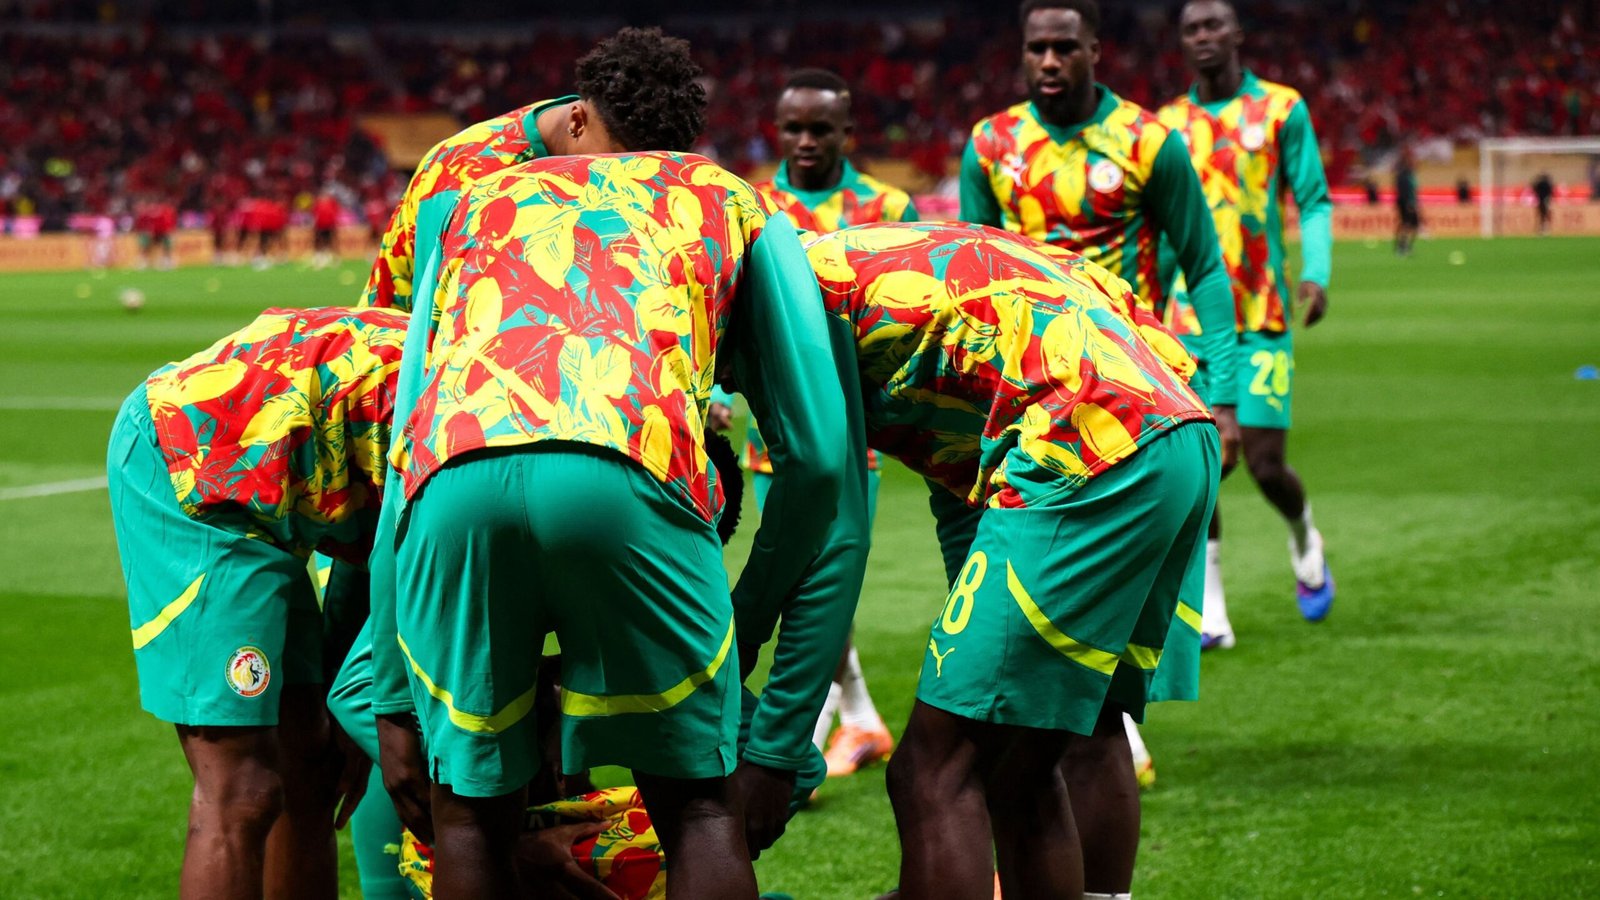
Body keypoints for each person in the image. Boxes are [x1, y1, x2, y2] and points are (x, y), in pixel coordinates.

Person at [376, 138, 866, 898]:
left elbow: (401, 450)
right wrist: (749, 620)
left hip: (451, 470)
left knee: (467, 812)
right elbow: (822, 461)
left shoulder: (467, 199)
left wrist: (390, 696)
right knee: (699, 805)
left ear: (581, 118)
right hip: (629, 458)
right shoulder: (732, 195)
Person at [801, 221, 1217, 899]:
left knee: (935, 768)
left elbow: (834, 533)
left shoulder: (793, 308)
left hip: (1085, 445)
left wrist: (781, 737)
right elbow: (960, 467)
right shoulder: (881, 252)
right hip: (1172, 426)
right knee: (1049, 744)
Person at [959, 0, 1237, 837]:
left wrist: (1224, 395)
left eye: (1064, 47)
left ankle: (1105, 721)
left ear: (1094, 51)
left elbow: (1204, 265)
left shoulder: (1149, 142)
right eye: (1035, 48)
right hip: (1032, 402)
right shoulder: (991, 145)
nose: (1049, 61)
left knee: (1115, 593)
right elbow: (972, 269)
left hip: (1133, 396)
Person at [106, 306, 407, 899]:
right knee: (242, 789)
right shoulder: (481, 424)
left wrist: (346, 709)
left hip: (282, 480)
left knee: (312, 769)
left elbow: (377, 558)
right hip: (196, 460)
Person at [746, 66, 918, 781]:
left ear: (848, 131)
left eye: (821, 129)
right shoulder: (753, 203)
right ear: (777, 130)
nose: (806, 141)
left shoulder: (887, 206)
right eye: (794, 128)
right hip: (770, 433)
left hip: (852, 434)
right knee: (794, 578)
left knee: (826, 576)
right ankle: (856, 717)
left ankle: (814, 726)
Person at [1158, 0, 1337, 650]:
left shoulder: (1282, 109)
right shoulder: (1166, 125)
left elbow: (1312, 197)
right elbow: (1156, 224)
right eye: (1191, 29)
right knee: (1200, 464)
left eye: (1213, 25)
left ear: (1236, 34)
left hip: (1261, 313)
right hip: (1186, 320)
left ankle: (1303, 532)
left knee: (1262, 463)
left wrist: (1316, 271)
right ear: (1181, 42)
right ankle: (1211, 613)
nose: (1203, 36)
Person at [359, 27, 706, 313]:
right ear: (577, 122)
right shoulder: (461, 176)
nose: (622, 186)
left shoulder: (641, 165)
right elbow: (405, 322)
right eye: (613, 166)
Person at [1395, 148, 1420, 256]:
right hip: (1406, 203)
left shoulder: (1410, 175)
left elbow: (1413, 191)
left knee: (1413, 225)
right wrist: (1409, 203)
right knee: (1406, 224)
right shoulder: (1404, 175)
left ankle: (1405, 246)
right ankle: (1402, 246)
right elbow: (1404, 191)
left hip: (1410, 203)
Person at [311, 188, 342, 269]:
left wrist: (334, 221)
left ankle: (335, 258)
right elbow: (314, 213)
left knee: (332, 242)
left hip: (330, 225)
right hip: (320, 225)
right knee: (319, 242)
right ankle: (319, 258)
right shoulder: (317, 202)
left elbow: (336, 211)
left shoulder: (332, 202)